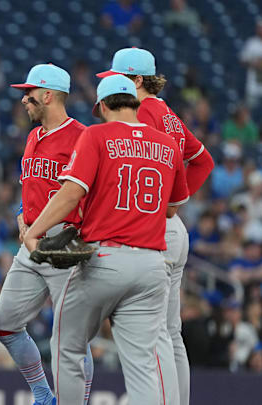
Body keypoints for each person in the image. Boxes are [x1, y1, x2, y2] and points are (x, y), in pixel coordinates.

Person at [23, 75, 190, 405]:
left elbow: (71, 193)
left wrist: (32, 231)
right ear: (136, 103)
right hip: (153, 264)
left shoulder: (96, 134)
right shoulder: (168, 144)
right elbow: (172, 209)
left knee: (67, 346)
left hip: (106, 258)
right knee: (144, 364)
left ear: (101, 106)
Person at [97, 47, 215, 405]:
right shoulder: (168, 114)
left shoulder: (143, 111)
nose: (113, 86)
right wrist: (172, 203)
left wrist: (162, 207)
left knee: (154, 335)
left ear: (136, 80)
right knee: (170, 333)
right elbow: (203, 161)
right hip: (171, 227)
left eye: (119, 79)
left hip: (154, 232)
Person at [0, 64, 93, 405]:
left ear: (48, 95)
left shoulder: (82, 136)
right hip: (31, 242)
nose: (24, 99)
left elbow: (87, 193)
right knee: (4, 323)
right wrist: (22, 218)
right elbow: (31, 188)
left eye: (29, 93)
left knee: (71, 338)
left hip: (64, 241)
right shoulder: (33, 135)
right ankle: (43, 395)